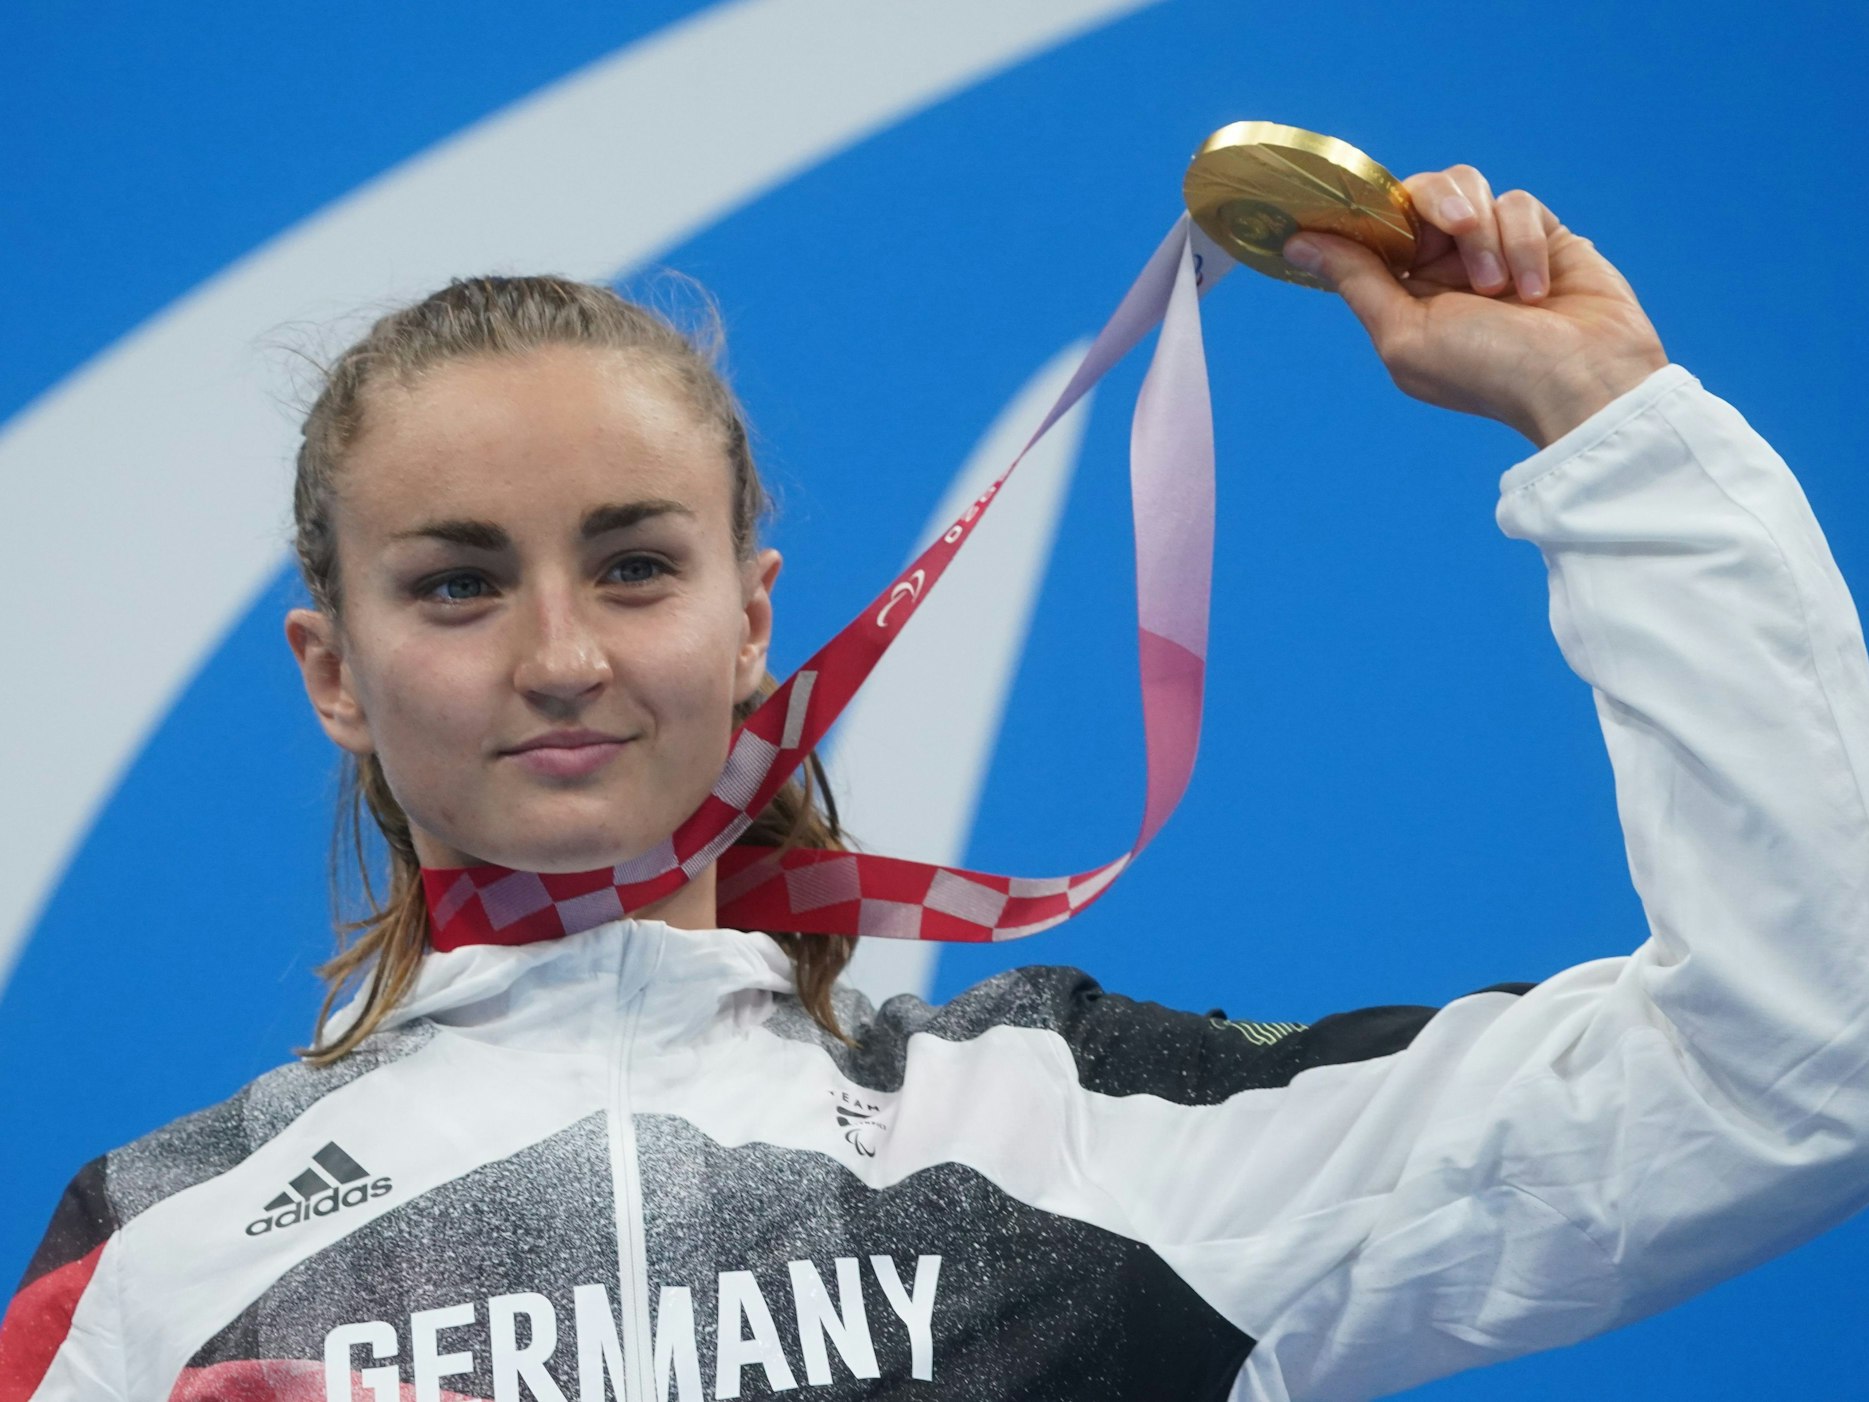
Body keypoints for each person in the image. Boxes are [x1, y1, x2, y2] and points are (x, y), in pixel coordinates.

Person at [2, 162, 1865, 1402]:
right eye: (458, 582)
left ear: (752, 620)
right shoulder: (155, 1248)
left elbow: (1799, 1066)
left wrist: (1609, 428)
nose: (560, 654)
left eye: (636, 564)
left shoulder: (1098, 1133)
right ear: (334, 668)